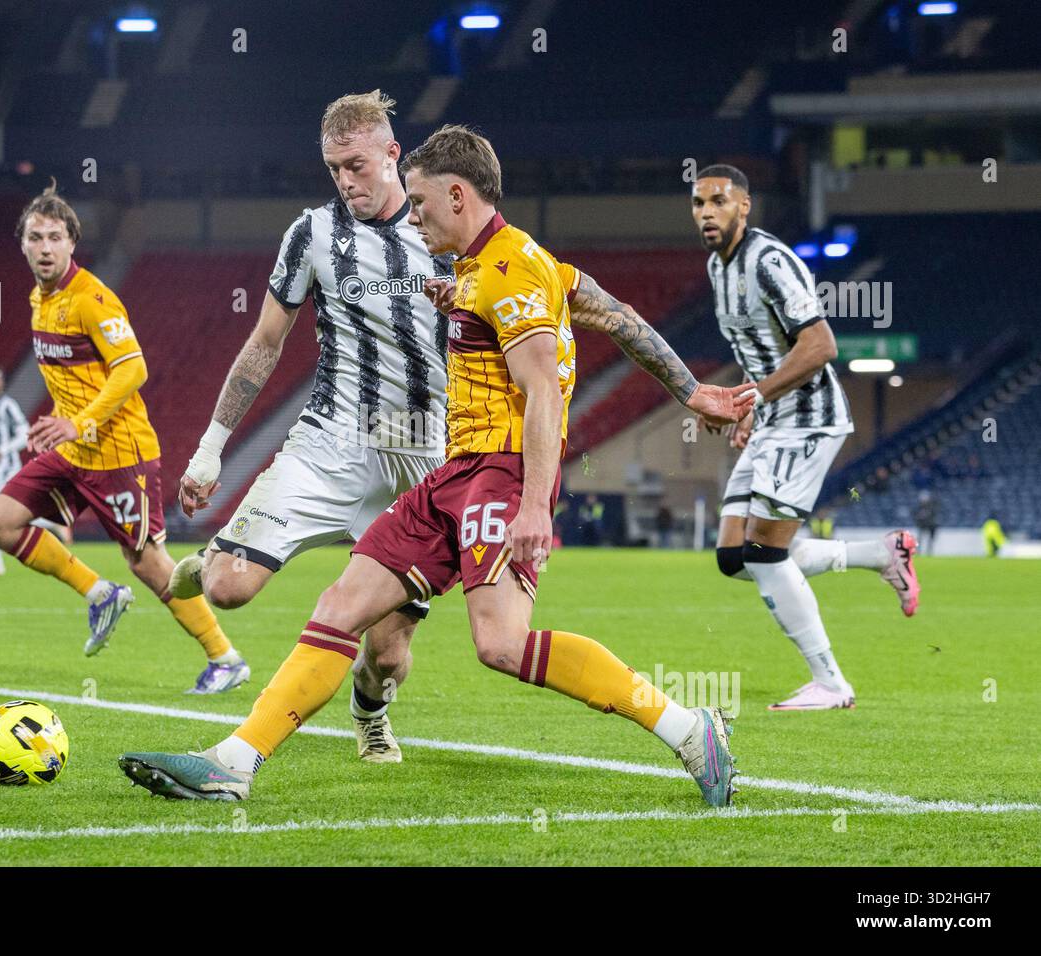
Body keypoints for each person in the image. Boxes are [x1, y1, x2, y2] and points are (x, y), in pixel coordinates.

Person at [119, 125, 754, 807]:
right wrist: (690, 390)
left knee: (501, 645)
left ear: (457, 195)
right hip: (451, 474)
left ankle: (692, 730)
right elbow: (612, 311)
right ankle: (234, 762)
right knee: (339, 608)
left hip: (502, 474)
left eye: (419, 204)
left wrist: (535, 503)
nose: (412, 217)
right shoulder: (491, 269)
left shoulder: (510, 273)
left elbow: (542, 392)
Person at [692, 164, 920, 712]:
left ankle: (831, 682)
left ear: (744, 207)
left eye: (718, 202)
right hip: (771, 419)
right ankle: (881, 552)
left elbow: (820, 344)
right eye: (698, 204)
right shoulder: (717, 268)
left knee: (765, 554)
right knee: (733, 556)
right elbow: (756, 348)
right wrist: (747, 407)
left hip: (807, 419)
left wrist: (752, 399)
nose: (706, 213)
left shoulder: (769, 262)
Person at [0, 180, 235, 665]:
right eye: (35, 237)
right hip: (73, 451)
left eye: (56, 237)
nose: (45, 247)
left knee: (146, 561)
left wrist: (80, 423)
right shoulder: (40, 300)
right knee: (0, 522)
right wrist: (57, 420)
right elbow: (71, 378)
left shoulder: (90, 297)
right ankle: (99, 594)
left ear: (72, 243)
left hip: (119, 450)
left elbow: (133, 368)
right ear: (23, 245)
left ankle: (224, 657)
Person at [0, 365, 70, 576]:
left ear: (2, 383)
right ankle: (52, 523)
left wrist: (1, 450)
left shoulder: (8, 406)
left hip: (6, 465)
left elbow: (24, 433)